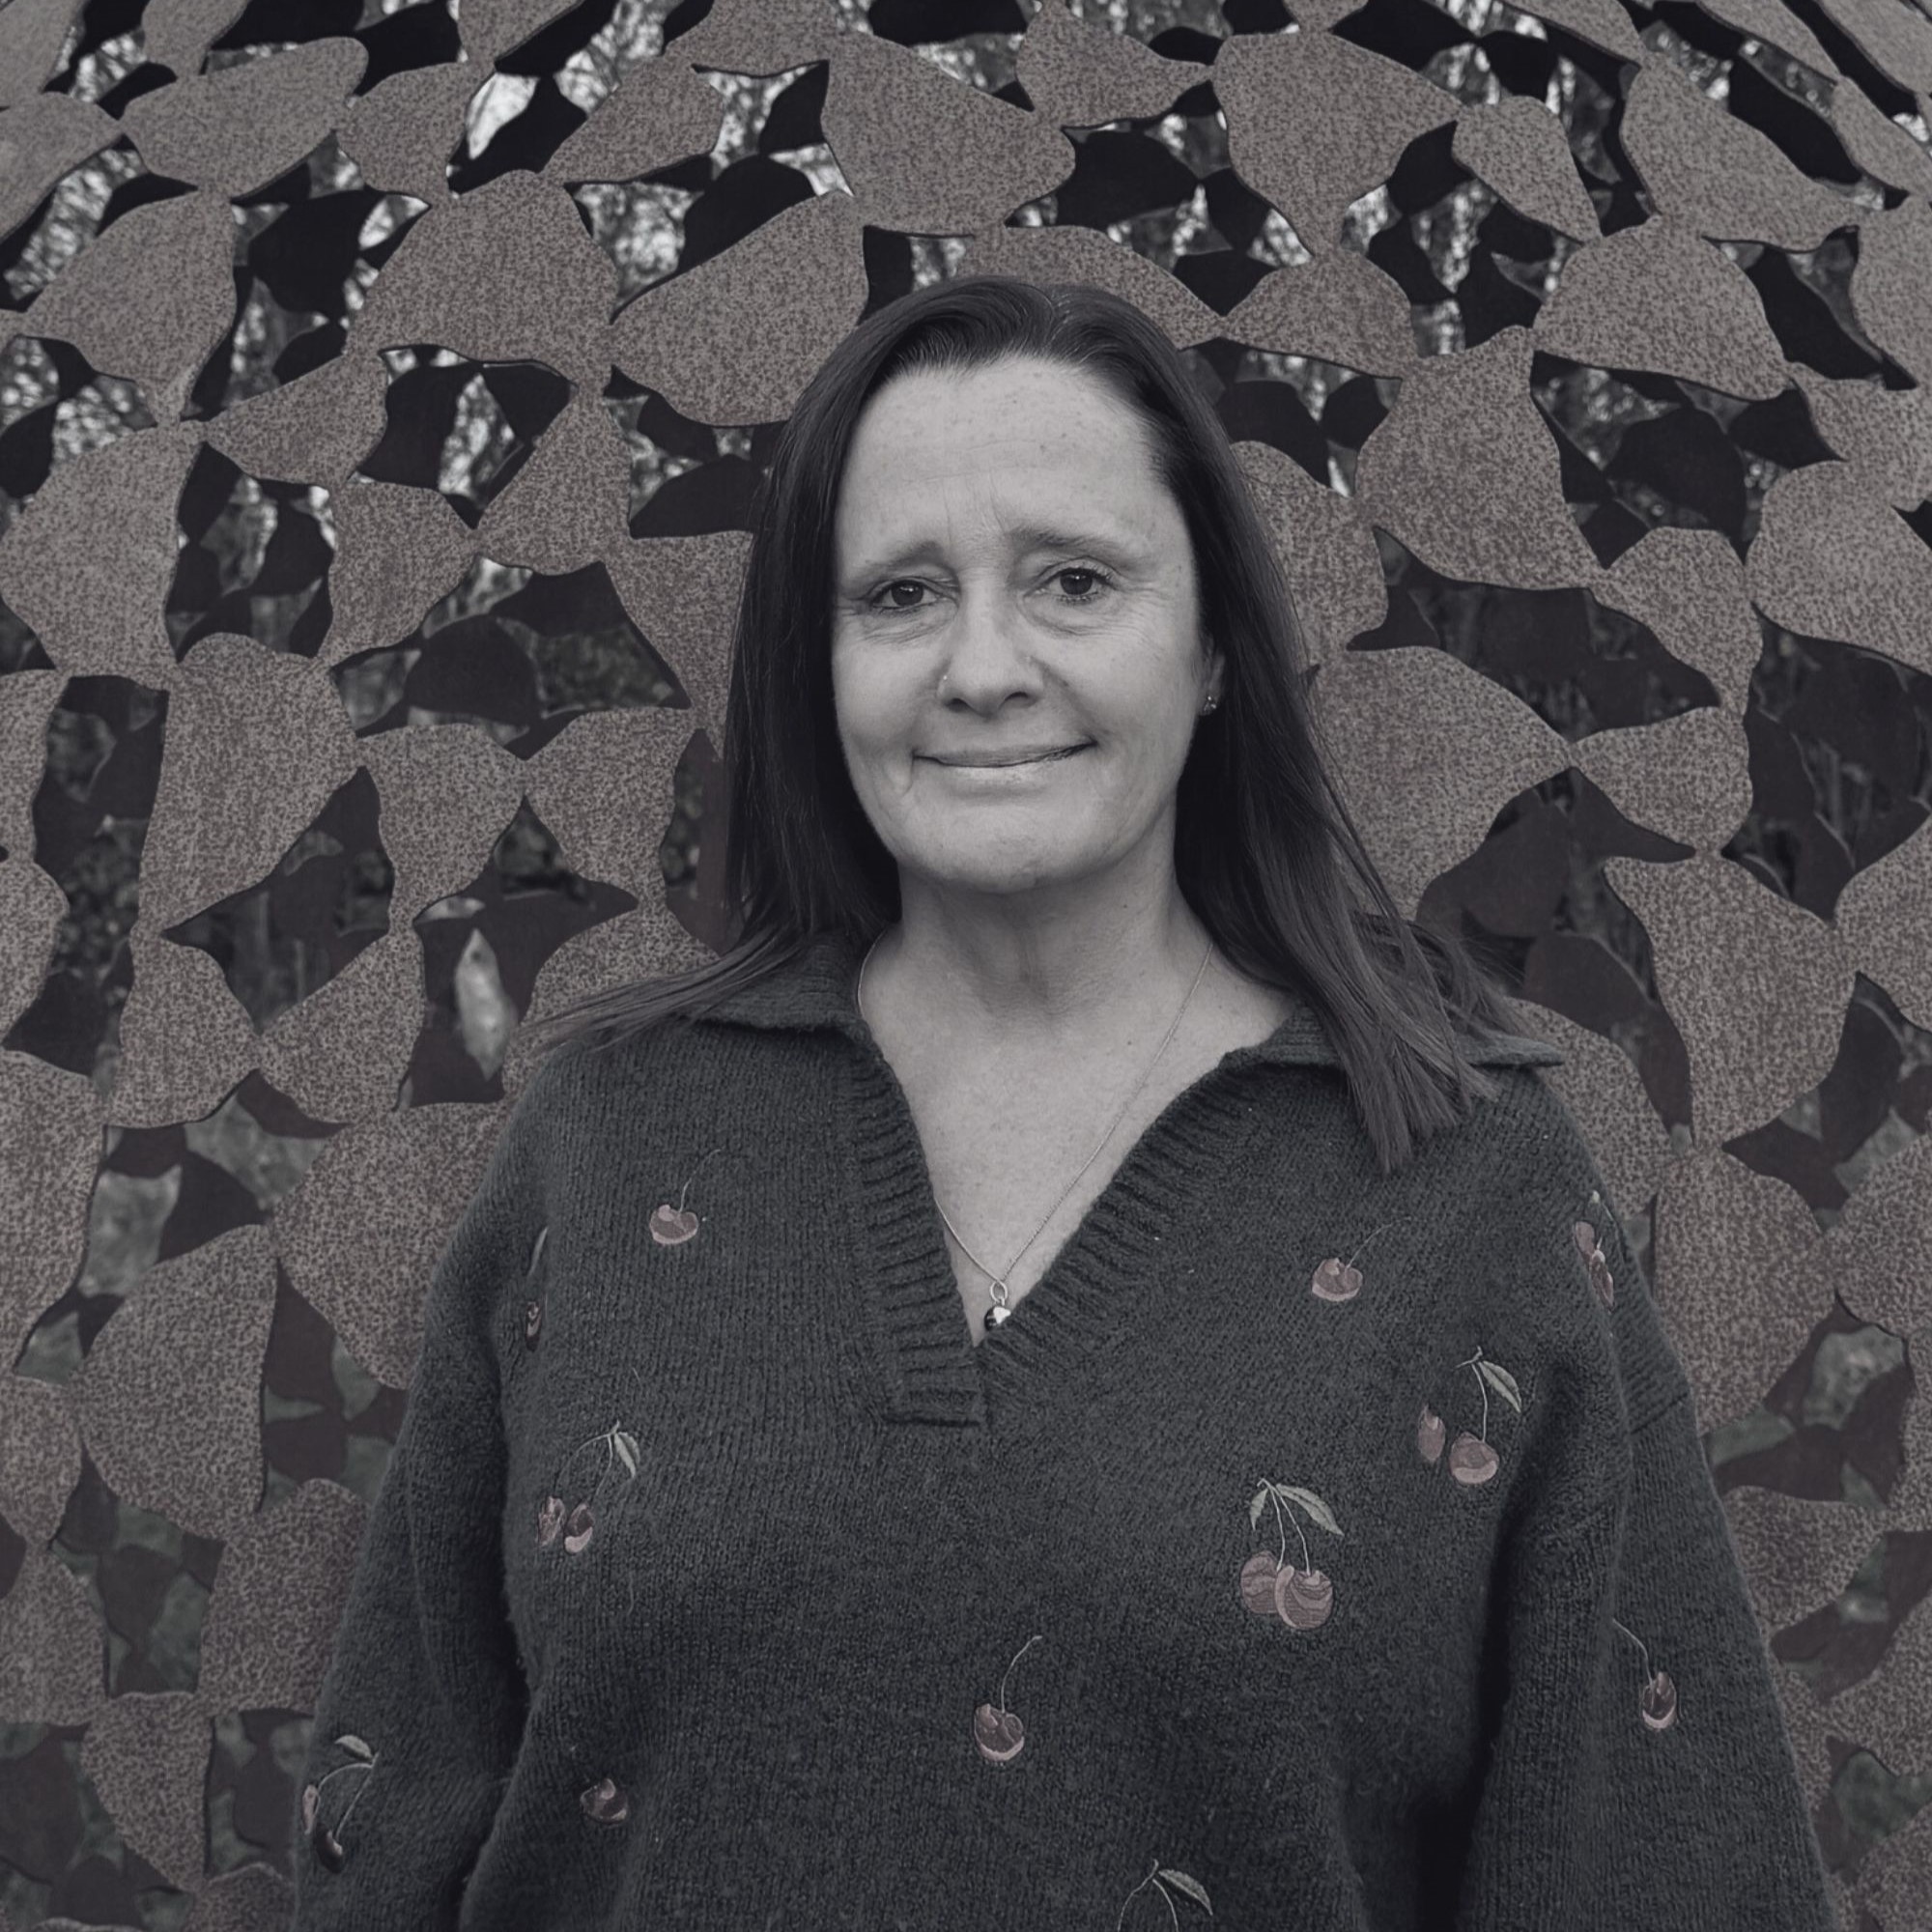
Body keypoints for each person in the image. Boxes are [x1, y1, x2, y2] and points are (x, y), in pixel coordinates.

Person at [289, 273, 1833, 1929]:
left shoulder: (1470, 1185)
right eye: (900, 594)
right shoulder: (609, 1141)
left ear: (1215, 645)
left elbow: (1664, 1866)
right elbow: (396, 1812)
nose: (983, 667)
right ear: (817, 665)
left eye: (1075, 582)